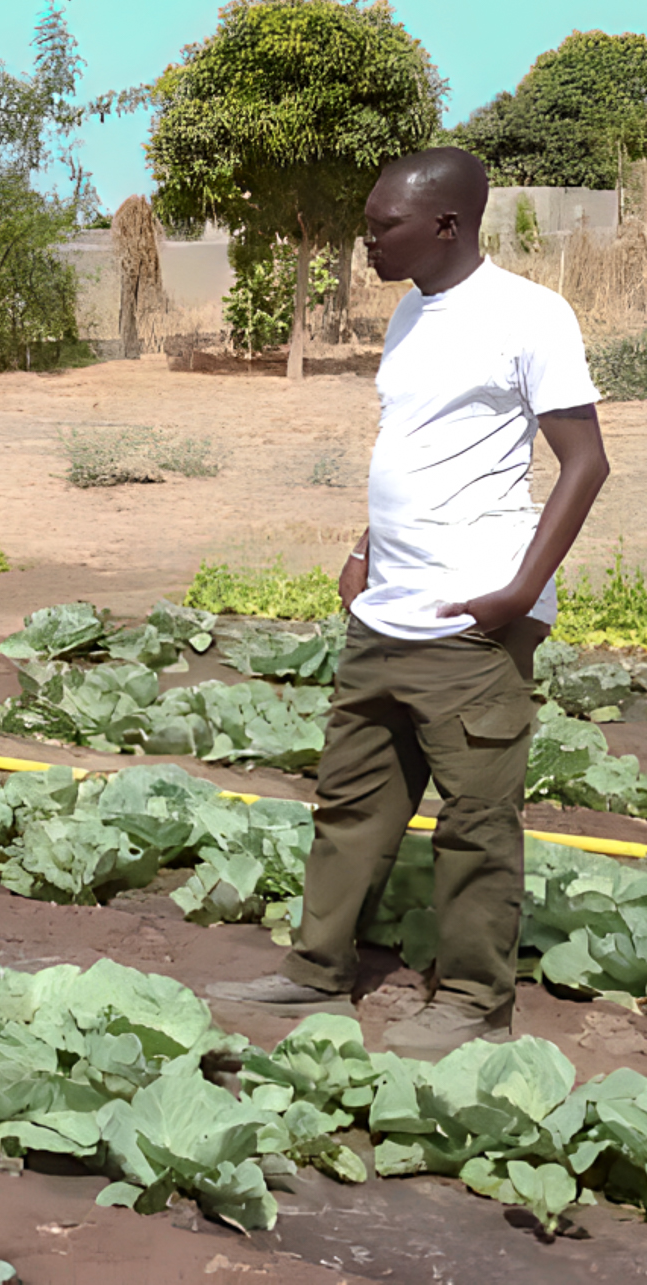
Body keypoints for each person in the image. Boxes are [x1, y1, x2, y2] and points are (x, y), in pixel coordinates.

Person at [209, 147, 610, 1058]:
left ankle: (470, 1002)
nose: (369, 242)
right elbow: (413, 446)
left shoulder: (529, 315)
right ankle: (316, 968)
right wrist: (362, 548)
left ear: (447, 225)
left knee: (475, 821)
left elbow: (586, 463)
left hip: (470, 619)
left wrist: (516, 590)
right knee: (352, 802)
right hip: (386, 609)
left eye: (383, 227)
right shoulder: (408, 314)